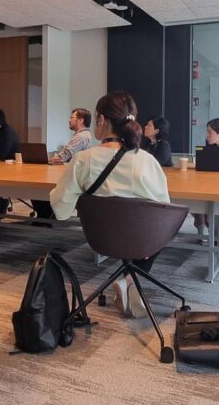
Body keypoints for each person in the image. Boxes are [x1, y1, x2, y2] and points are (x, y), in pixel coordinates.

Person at [49, 91, 169, 318]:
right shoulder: (146, 161)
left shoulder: (83, 160)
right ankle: (131, 278)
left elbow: (60, 208)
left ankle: (129, 279)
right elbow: (163, 209)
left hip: (101, 239)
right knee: (159, 225)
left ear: (102, 120)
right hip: (143, 242)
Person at [33, 108, 94, 221]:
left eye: (72, 117)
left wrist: (48, 160)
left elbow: (63, 157)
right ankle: (45, 216)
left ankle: (45, 217)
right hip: (75, 176)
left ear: (80, 120)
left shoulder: (81, 137)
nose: (69, 120)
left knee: (37, 187)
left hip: (72, 179)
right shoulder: (83, 135)